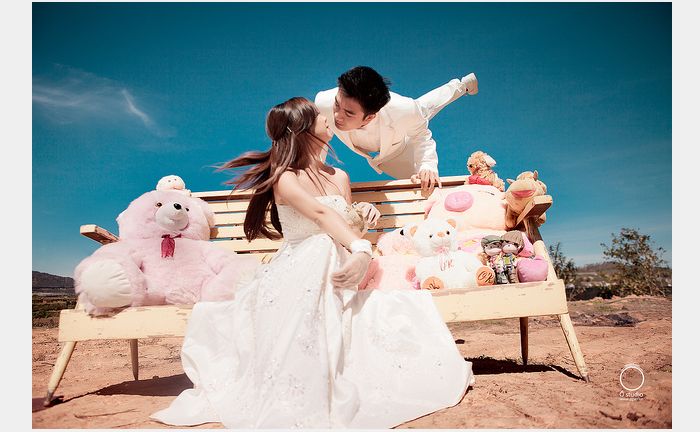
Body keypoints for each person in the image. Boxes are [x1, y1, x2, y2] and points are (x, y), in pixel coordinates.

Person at [150, 97, 474, 429]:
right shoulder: (285, 177)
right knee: (320, 245)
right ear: (302, 129)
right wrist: (361, 248)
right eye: (319, 116)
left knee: (333, 252)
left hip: (342, 266)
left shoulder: (340, 176)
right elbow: (320, 216)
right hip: (301, 269)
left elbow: (345, 227)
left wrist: (362, 217)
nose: (328, 117)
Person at [315, 65, 479, 195]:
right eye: (337, 104)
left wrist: (427, 165)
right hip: (398, 122)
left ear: (370, 117)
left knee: (423, 109)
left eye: (349, 113)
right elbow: (316, 140)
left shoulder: (404, 110)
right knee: (421, 109)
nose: (337, 116)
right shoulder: (323, 102)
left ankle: (463, 85)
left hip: (399, 149)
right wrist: (314, 172)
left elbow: (421, 135)